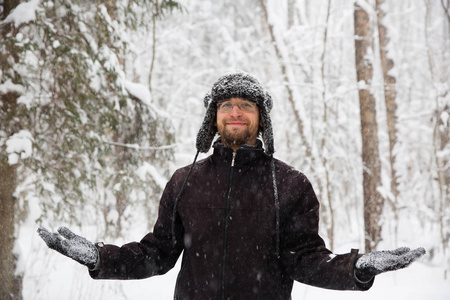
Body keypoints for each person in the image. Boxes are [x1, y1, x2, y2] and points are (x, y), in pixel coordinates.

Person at [38, 72, 425, 300]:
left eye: (246, 106)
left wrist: (357, 269)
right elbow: (157, 254)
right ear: (214, 118)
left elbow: (306, 260)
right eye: (226, 106)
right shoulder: (185, 181)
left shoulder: (290, 184)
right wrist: (100, 258)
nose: (235, 112)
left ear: (261, 119)